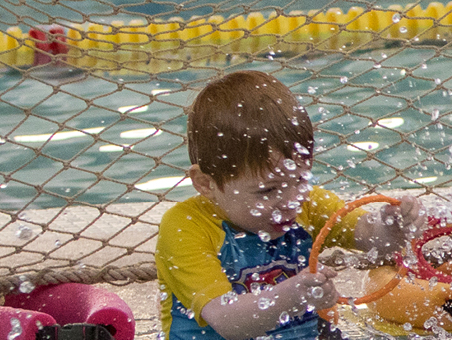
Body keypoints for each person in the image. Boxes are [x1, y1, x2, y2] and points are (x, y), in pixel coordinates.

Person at [156, 70, 425, 340]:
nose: (289, 201)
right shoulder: (186, 227)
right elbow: (228, 322)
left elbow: (373, 239)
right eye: (268, 190)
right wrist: (293, 294)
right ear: (206, 184)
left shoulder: (306, 202)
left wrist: (394, 226)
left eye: (299, 179)